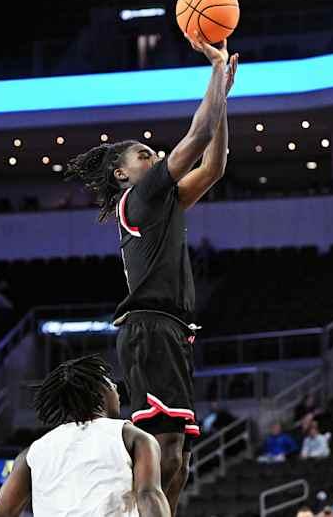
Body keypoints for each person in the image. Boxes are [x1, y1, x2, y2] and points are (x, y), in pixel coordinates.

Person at [65, 30, 238, 515]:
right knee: (161, 458)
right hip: (150, 327)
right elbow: (197, 138)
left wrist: (220, 100)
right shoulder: (138, 198)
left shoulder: (163, 203)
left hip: (172, 331)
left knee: (178, 464)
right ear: (122, 173)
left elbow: (215, 164)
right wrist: (215, 74)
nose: (155, 156)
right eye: (144, 155)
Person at [0, 355, 170, 517]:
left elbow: (1, 514)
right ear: (97, 391)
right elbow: (149, 496)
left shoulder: (31, 454)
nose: (116, 387)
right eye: (109, 382)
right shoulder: (131, 436)